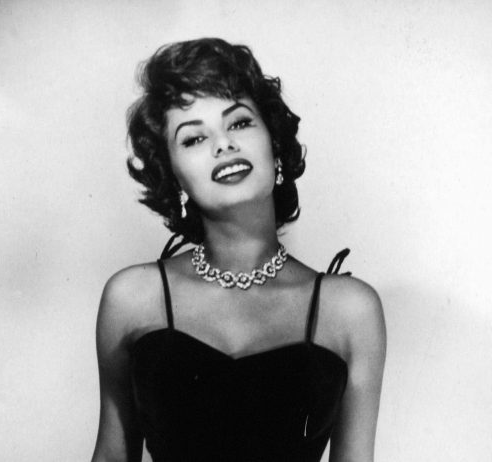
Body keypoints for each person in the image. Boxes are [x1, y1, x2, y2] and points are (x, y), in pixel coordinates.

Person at [91, 38, 386, 462]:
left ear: (274, 145)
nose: (223, 144)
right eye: (194, 138)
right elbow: (111, 455)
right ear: (172, 177)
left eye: (240, 122)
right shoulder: (133, 298)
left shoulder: (349, 311)